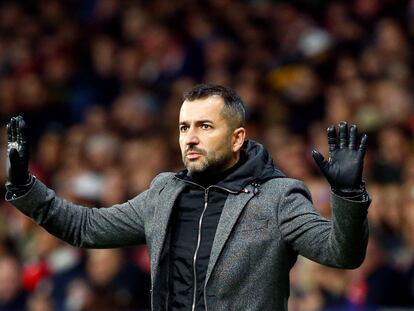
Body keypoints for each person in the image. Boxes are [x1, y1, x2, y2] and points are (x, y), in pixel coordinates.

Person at [4, 84, 370, 311]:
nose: (190, 138)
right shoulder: (165, 191)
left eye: (204, 126)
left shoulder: (279, 196)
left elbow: (341, 254)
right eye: (184, 127)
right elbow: (85, 227)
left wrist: (347, 194)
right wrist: (24, 184)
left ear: (237, 138)